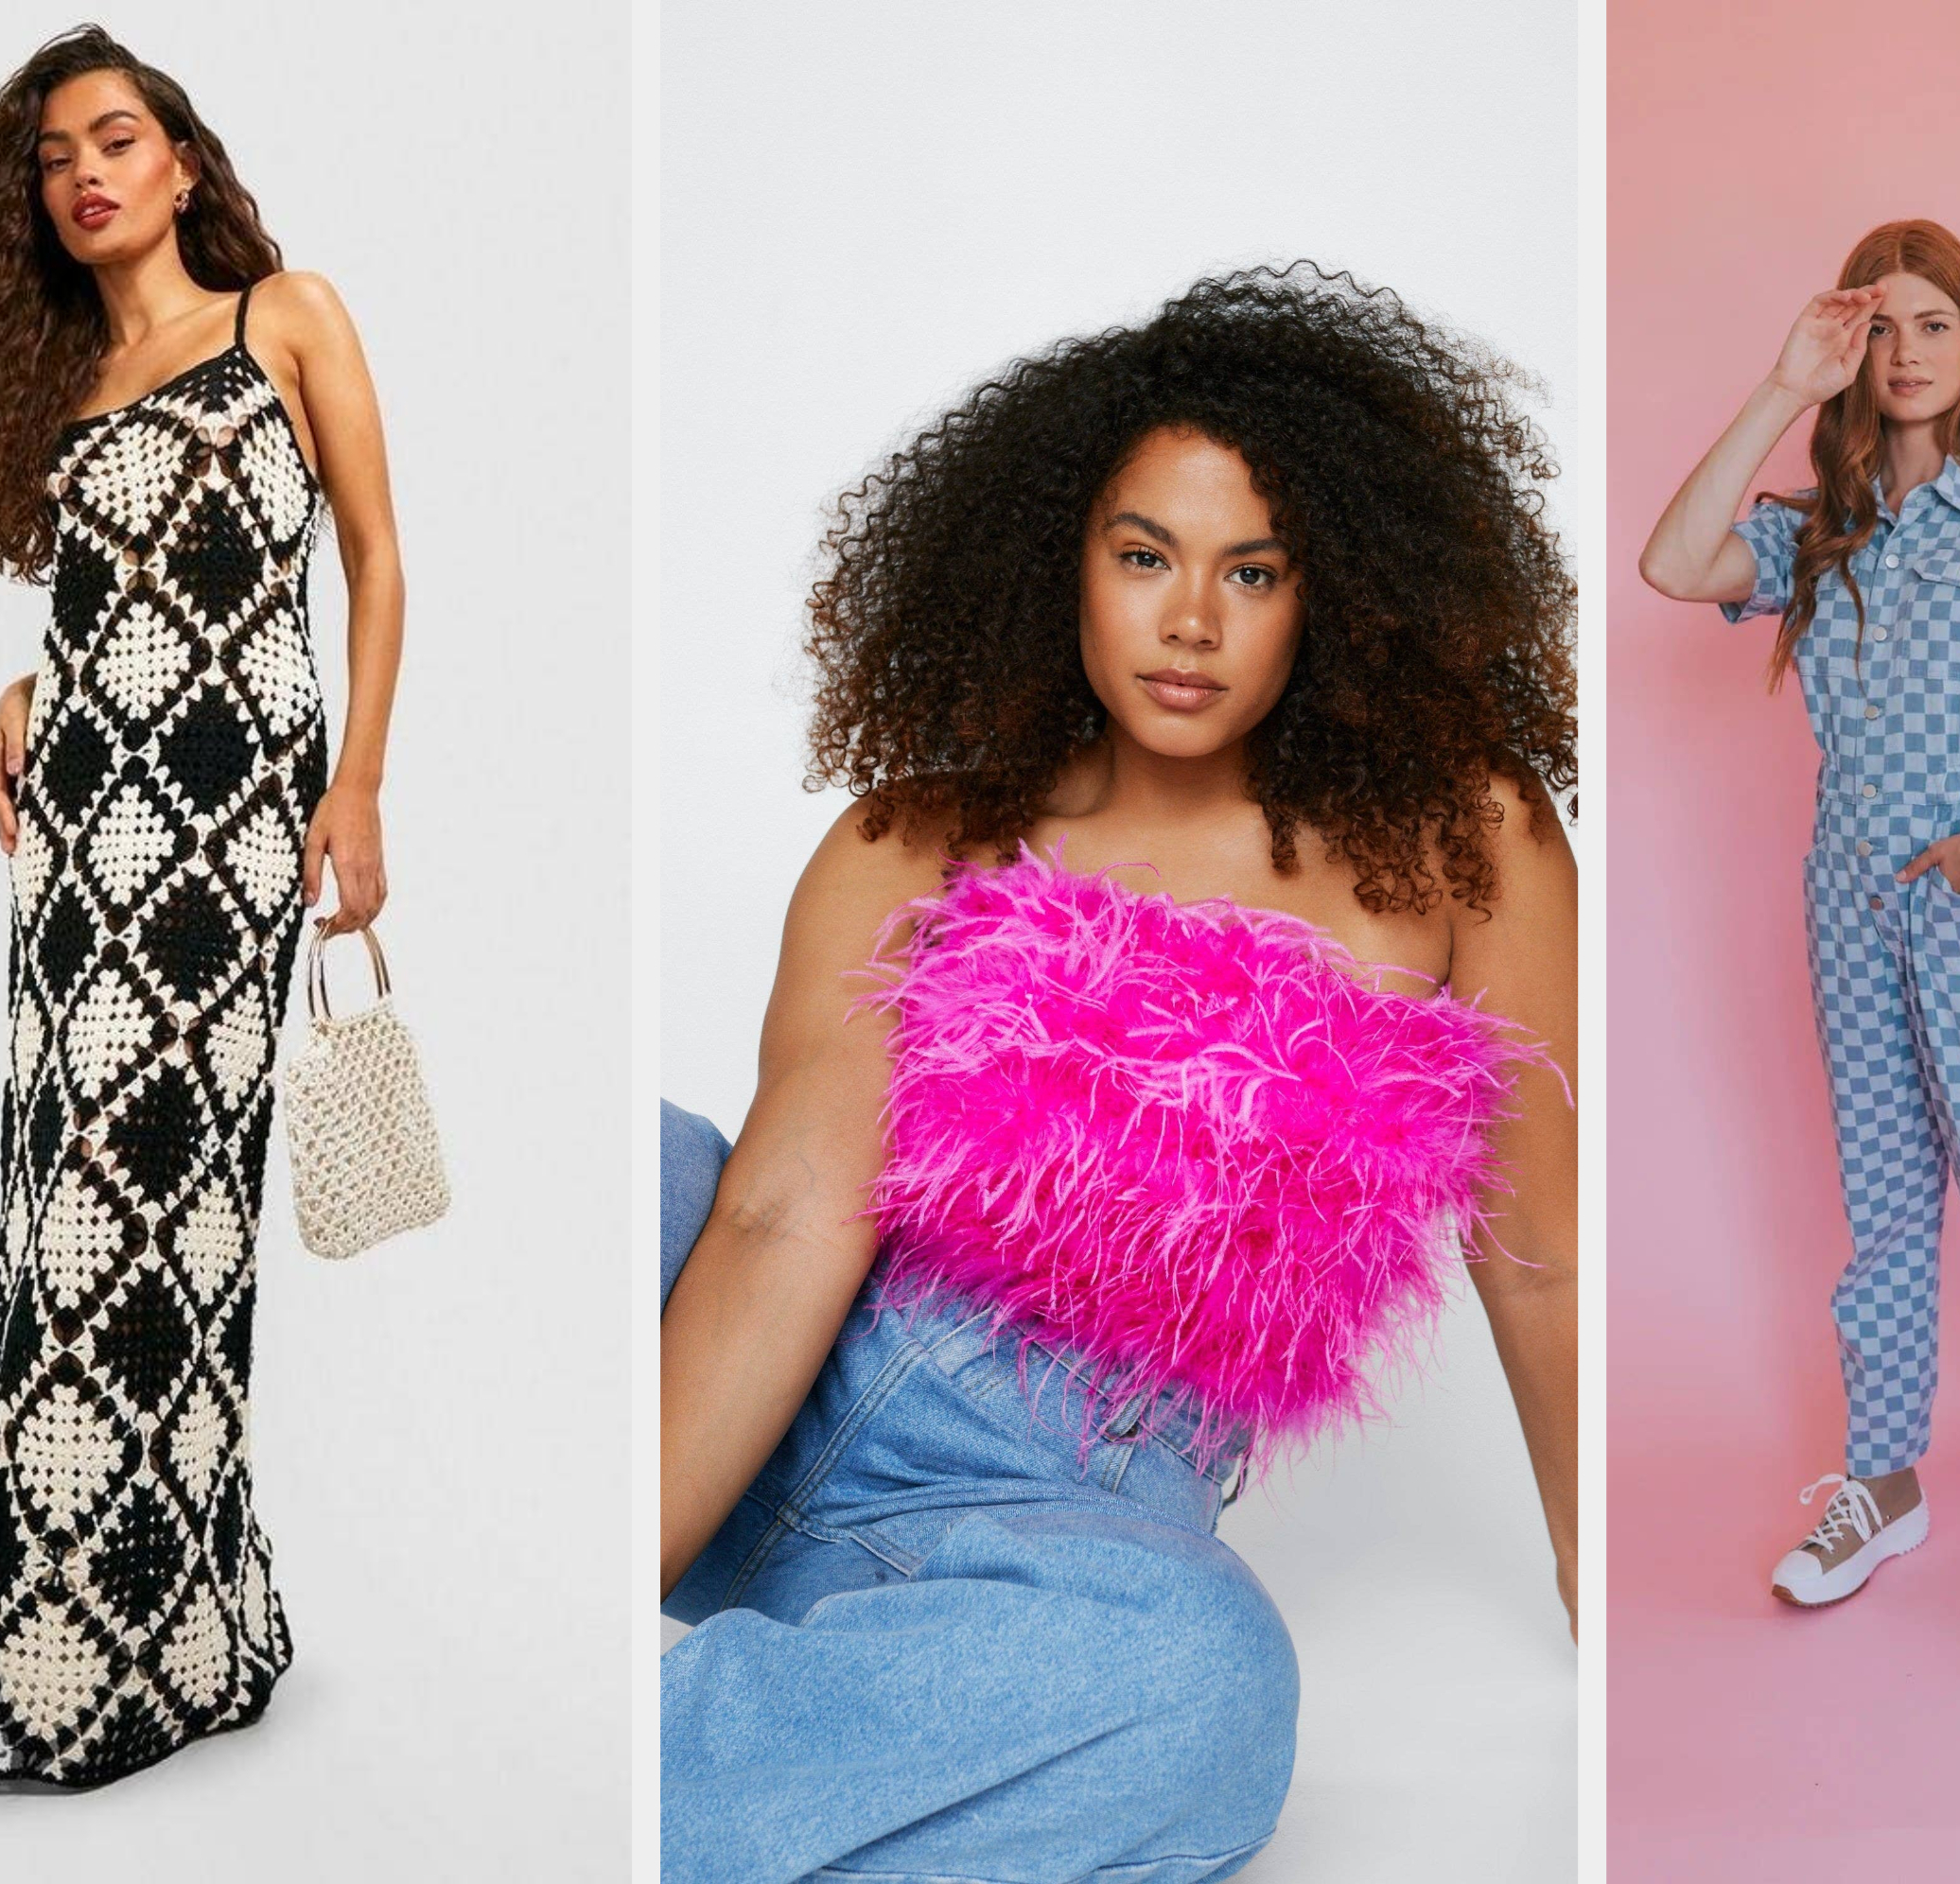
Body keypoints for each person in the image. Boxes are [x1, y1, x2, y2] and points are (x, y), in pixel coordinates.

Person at [659, 263, 1579, 1880]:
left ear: (1333, 593)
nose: (1191, 620)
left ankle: (670, 1780)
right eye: (1144, 555)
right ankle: (640, 1728)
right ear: (1060, 562)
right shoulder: (914, 836)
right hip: (773, 1407)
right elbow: (779, 1216)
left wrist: (1597, 1583)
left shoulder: (1460, 843)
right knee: (625, 1166)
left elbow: (1541, 1257)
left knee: (1209, 1686)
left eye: (1253, 570)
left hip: (1062, 1540)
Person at [0, 26, 405, 1816]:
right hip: (82, 845)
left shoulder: (285, 319)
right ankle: (43, 1641)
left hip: (230, 841)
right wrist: (32, 685)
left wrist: (357, 787)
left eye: (115, 137)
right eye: (55, 157)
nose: (86, 172)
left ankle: (143, 1647)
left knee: (172, 1228)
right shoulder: (76, 393)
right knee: (59, 1228)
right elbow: (114, 606)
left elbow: (376, 560)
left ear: (180, 160)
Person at [1637, 218, 1960, 1665]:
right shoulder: (1824, 527)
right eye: (1884, 328)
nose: (1910, 351)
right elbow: (1672, 562)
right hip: (1850, 910)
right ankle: (1883, 1481)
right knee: (1884, 1216)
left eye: (1936, 323)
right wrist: (1783, 385)